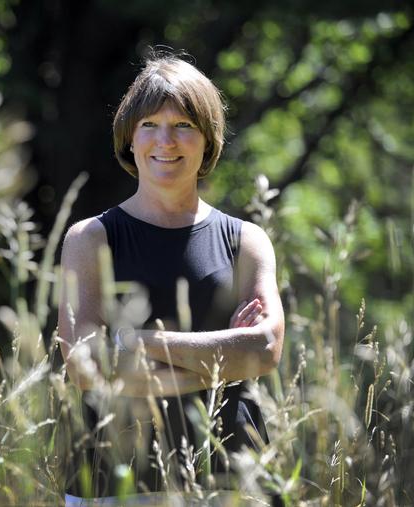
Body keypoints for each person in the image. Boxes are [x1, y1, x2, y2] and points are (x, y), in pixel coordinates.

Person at [57, 52, 285, 505]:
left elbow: (264, 351)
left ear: (208, 140)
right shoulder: (90, 239)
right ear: (129, 138)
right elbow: (85, 367)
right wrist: (220, 363)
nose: (166, 140)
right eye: (149, 125)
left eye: (184, 125)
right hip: (114, 482)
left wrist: (135, 343)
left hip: (230, 480)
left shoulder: (247, 241)